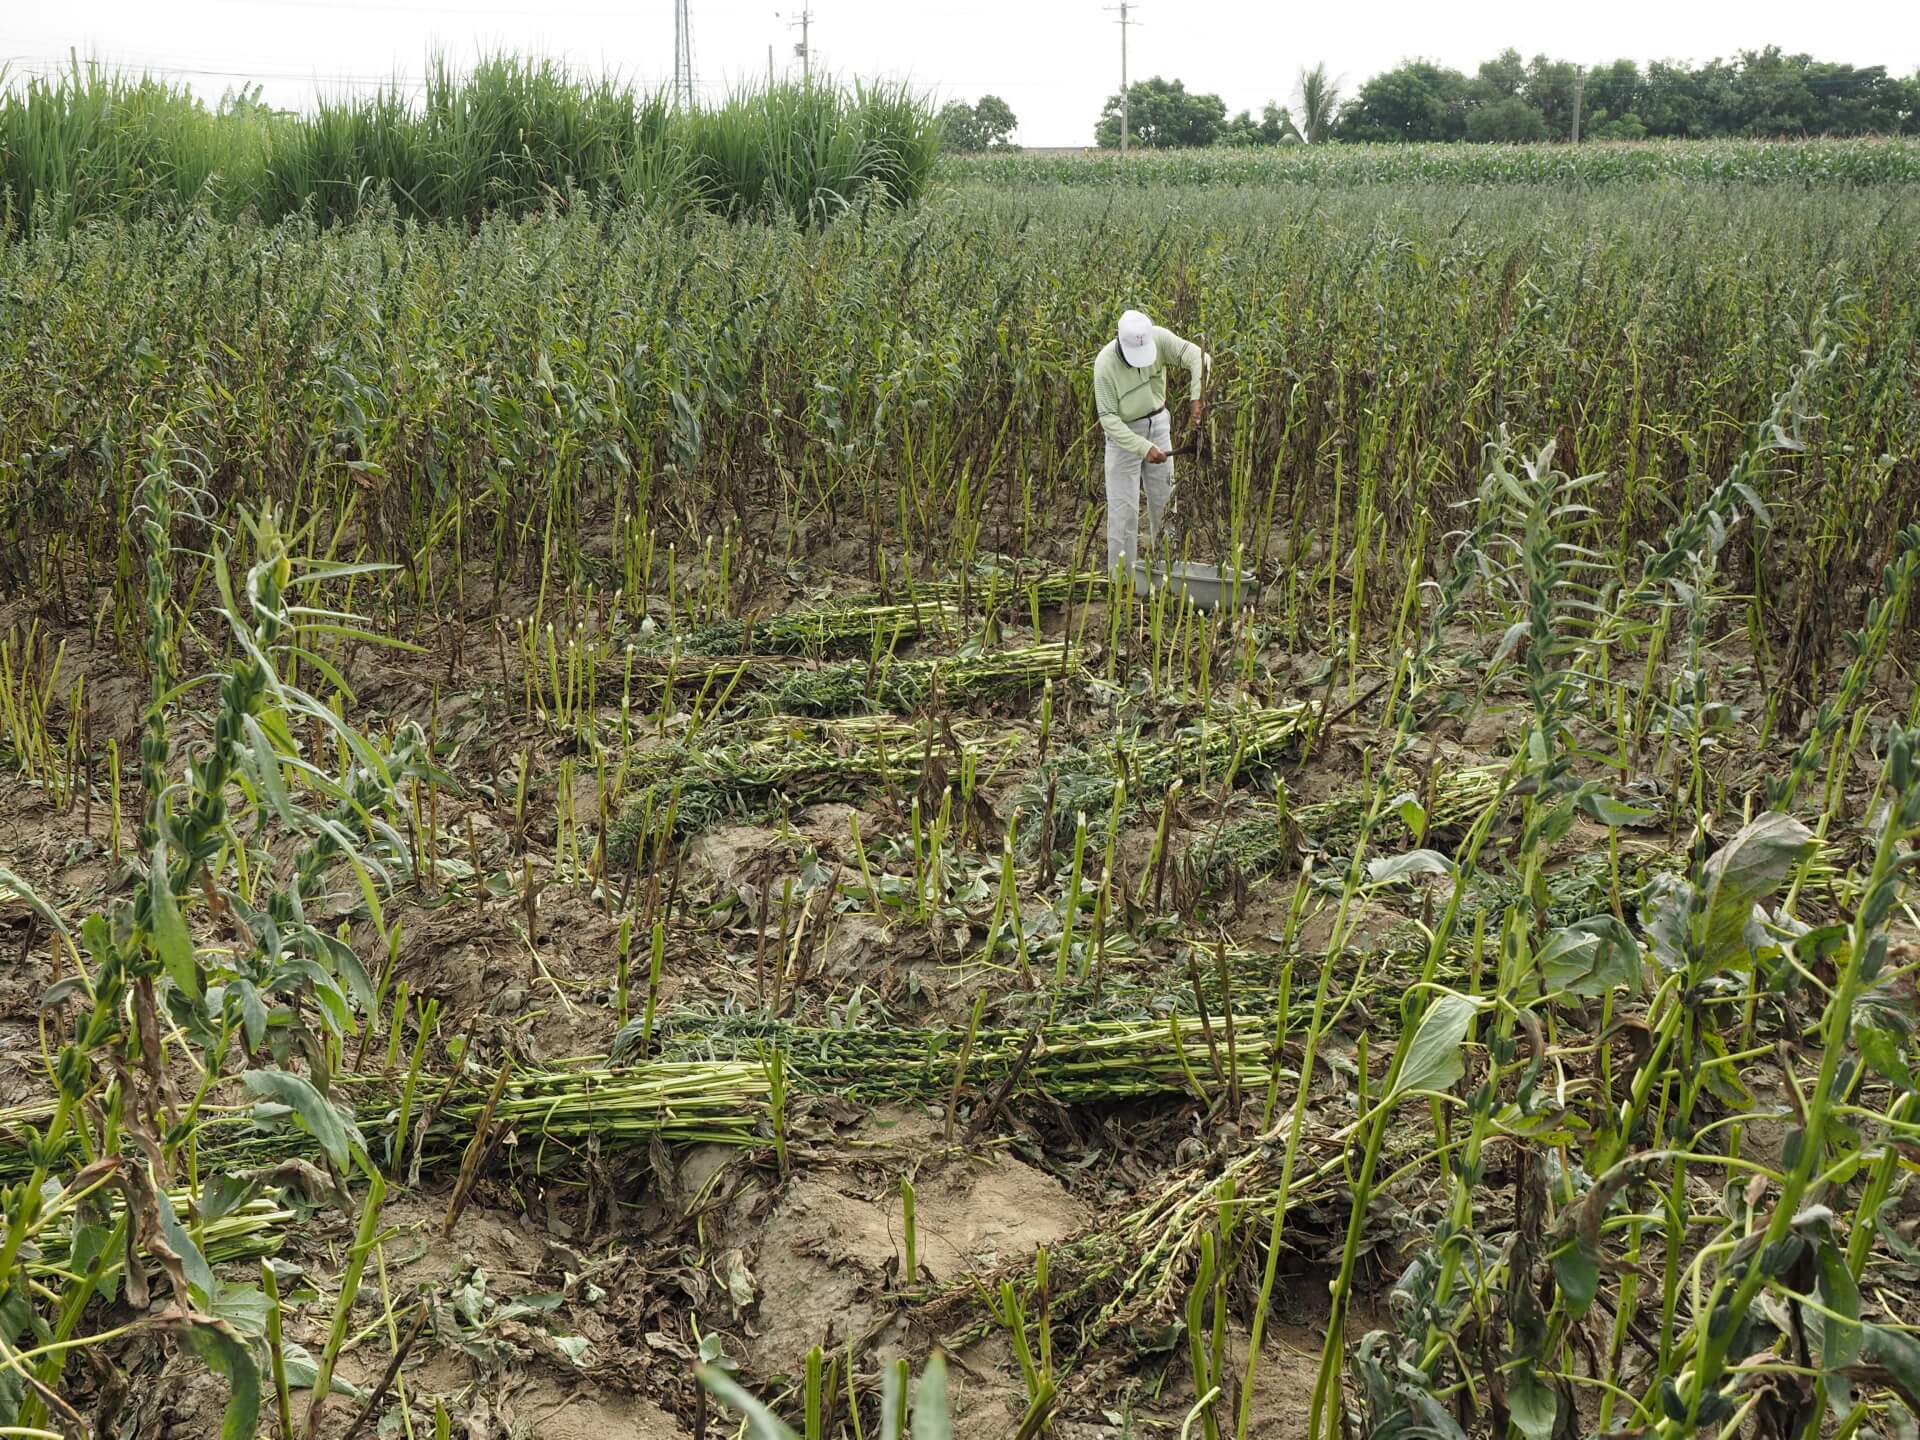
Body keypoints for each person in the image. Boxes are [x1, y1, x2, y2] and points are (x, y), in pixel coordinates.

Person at [1093, 309, 1209, 574]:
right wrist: (1143, 448)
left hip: (1158, 425)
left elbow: (1200, 357)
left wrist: (1197, 396)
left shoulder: (1158, 339)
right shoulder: (1104, 365)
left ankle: (1168, 573)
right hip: (1123, 435)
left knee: (1166, 505)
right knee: (1123, 512)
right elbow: (1108, 420)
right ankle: (1122, 581)